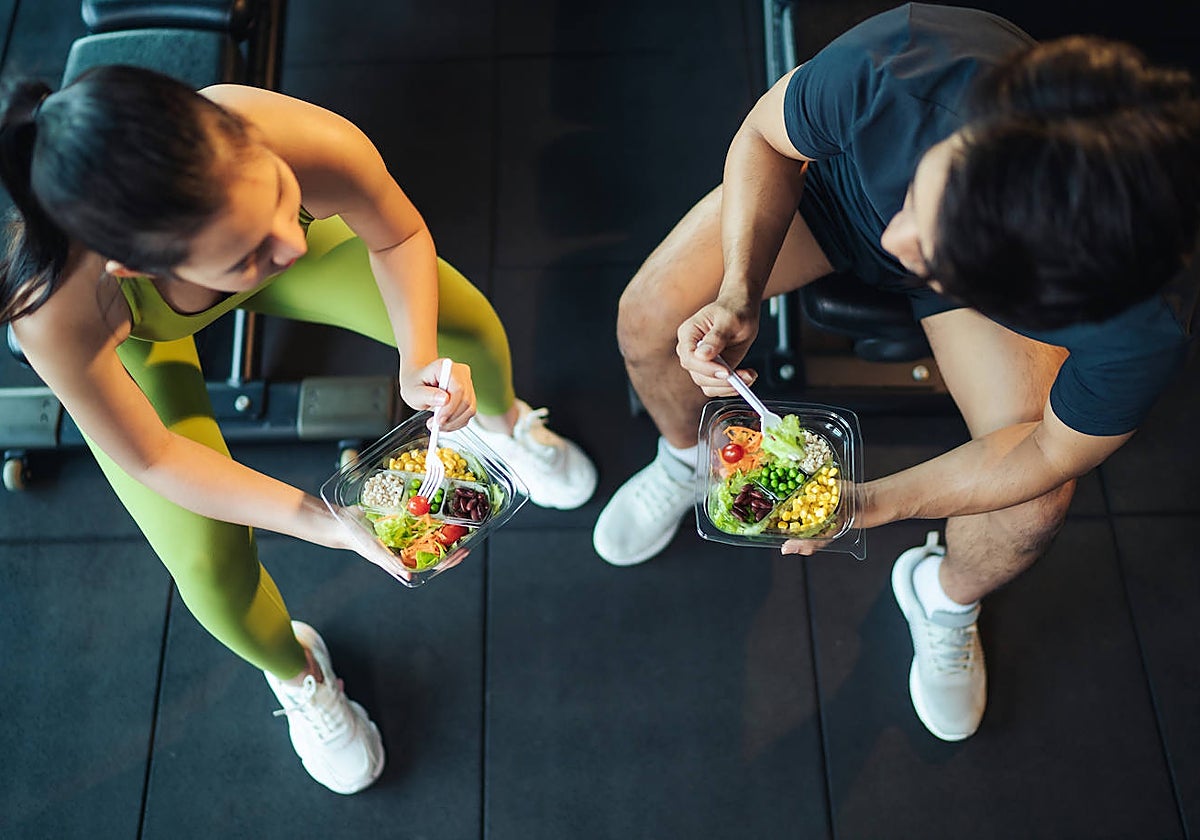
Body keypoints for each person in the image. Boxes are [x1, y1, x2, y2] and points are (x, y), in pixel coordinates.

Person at [593, 3, 1200, 741]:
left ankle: (941, 595)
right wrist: (739, 292)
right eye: (923, 193)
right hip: (835, 193)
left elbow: (1049, 448)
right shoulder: (908, 62)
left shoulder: (1139, 321)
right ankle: (688, 458)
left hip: (979, 304)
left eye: (932, 244)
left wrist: (871, 502)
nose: (896, 237)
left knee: (1035, 508)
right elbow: (766, 137)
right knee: (647, 314)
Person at [0, 65, 597, 793]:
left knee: (461, 321)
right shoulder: (56, 308)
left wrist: (417, 362)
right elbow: (155, 459)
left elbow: (398, 232)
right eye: (247, 252)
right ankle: (300, 672)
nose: (288, 242)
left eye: (284, 200)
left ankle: (504, 425)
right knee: (211, 568)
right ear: (132, 265)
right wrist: (332, 523)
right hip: (141, 340)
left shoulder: (298, 144)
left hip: (223, 246)